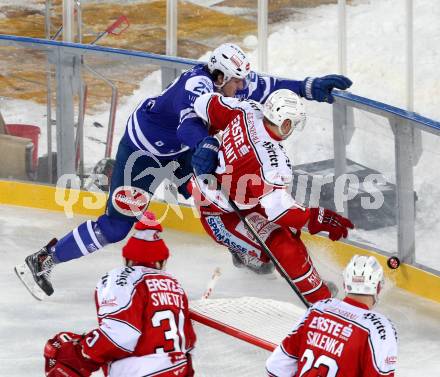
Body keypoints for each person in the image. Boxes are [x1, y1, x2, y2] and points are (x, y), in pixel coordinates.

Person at [15, 42, 352, 299]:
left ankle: (242, 250)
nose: (242, 86)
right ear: (218, 76)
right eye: (236, 81)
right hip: (143, 154)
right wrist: (205, 145)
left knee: (216, 201)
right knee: (117, 227)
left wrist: (308, 87)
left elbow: (269, 85)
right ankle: (46, 258)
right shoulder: (196, 85)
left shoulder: (232, 83)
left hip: (182, 152)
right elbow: (186, 126)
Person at [188, 89, 354, 303]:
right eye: (292, 124)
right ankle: (321, 303)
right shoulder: (272, 162)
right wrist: (317, 217)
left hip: (235, 197)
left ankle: (273, 266)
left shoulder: (246, 109)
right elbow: (280, 210)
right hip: (220, 215)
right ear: (285, 123)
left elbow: (202, 102)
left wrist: (208, 141)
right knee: (285, 247)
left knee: (289, 232)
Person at [43, 212, 196, 377]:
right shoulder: (174, 285)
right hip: (179, 370)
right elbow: (188, 344)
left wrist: (80, 352)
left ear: (127, 260)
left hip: (138, 373)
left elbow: (120, 335)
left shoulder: (123, 278)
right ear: (162, 261)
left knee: (62, 352)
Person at [265, 254, 398, 377]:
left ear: (345, 284)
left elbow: (275, 367)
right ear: (378, 287)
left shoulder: (319, 308)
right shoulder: (380, 328)